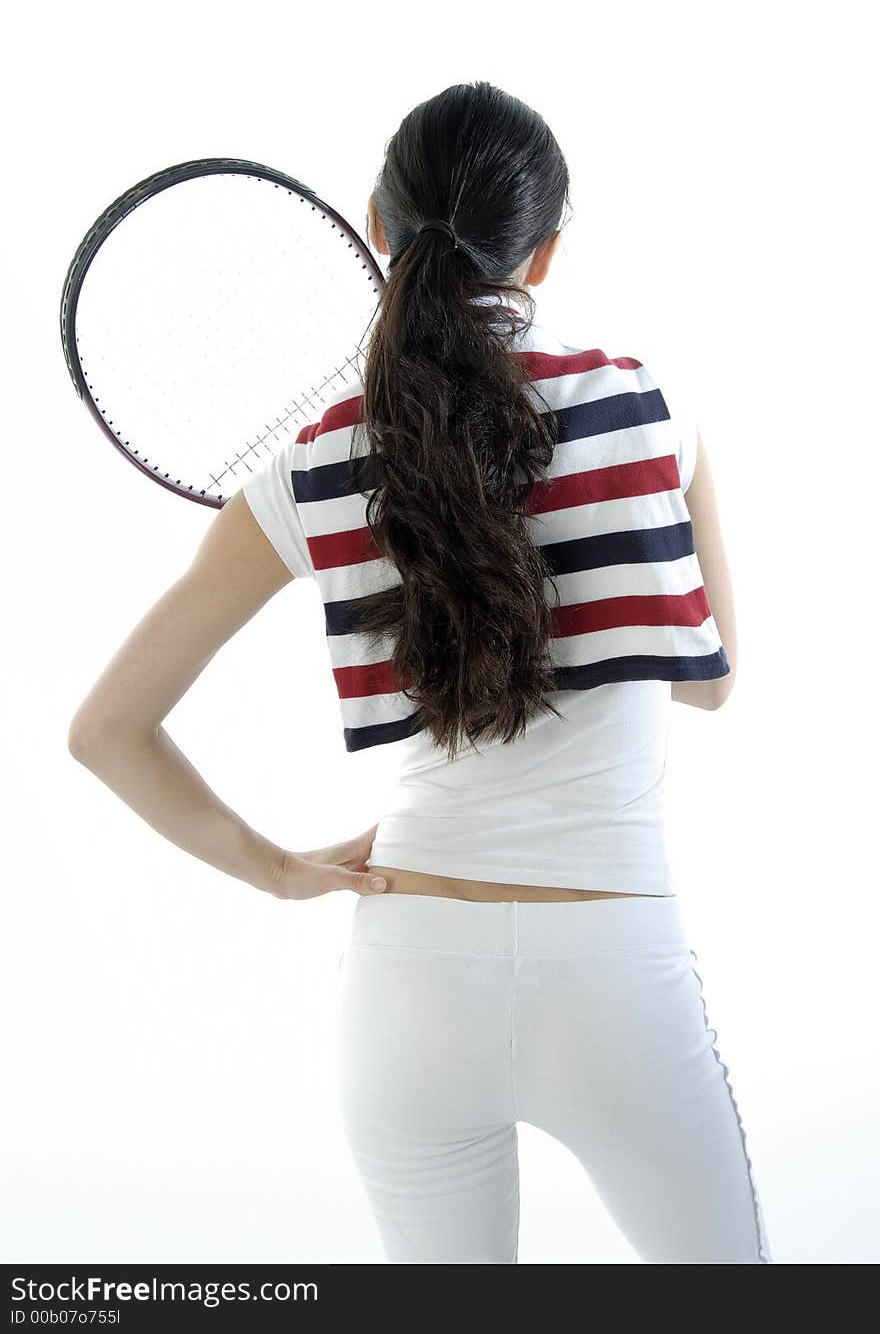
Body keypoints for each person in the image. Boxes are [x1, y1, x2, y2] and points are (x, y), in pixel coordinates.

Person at [68, 81, 772, 1264]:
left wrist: (279, 870)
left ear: (377, 228)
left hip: (409, 978)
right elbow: (709, 680)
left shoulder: (314, 462)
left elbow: (105, 732)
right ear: (542, 253)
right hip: (617, 975)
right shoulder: (652, 408)